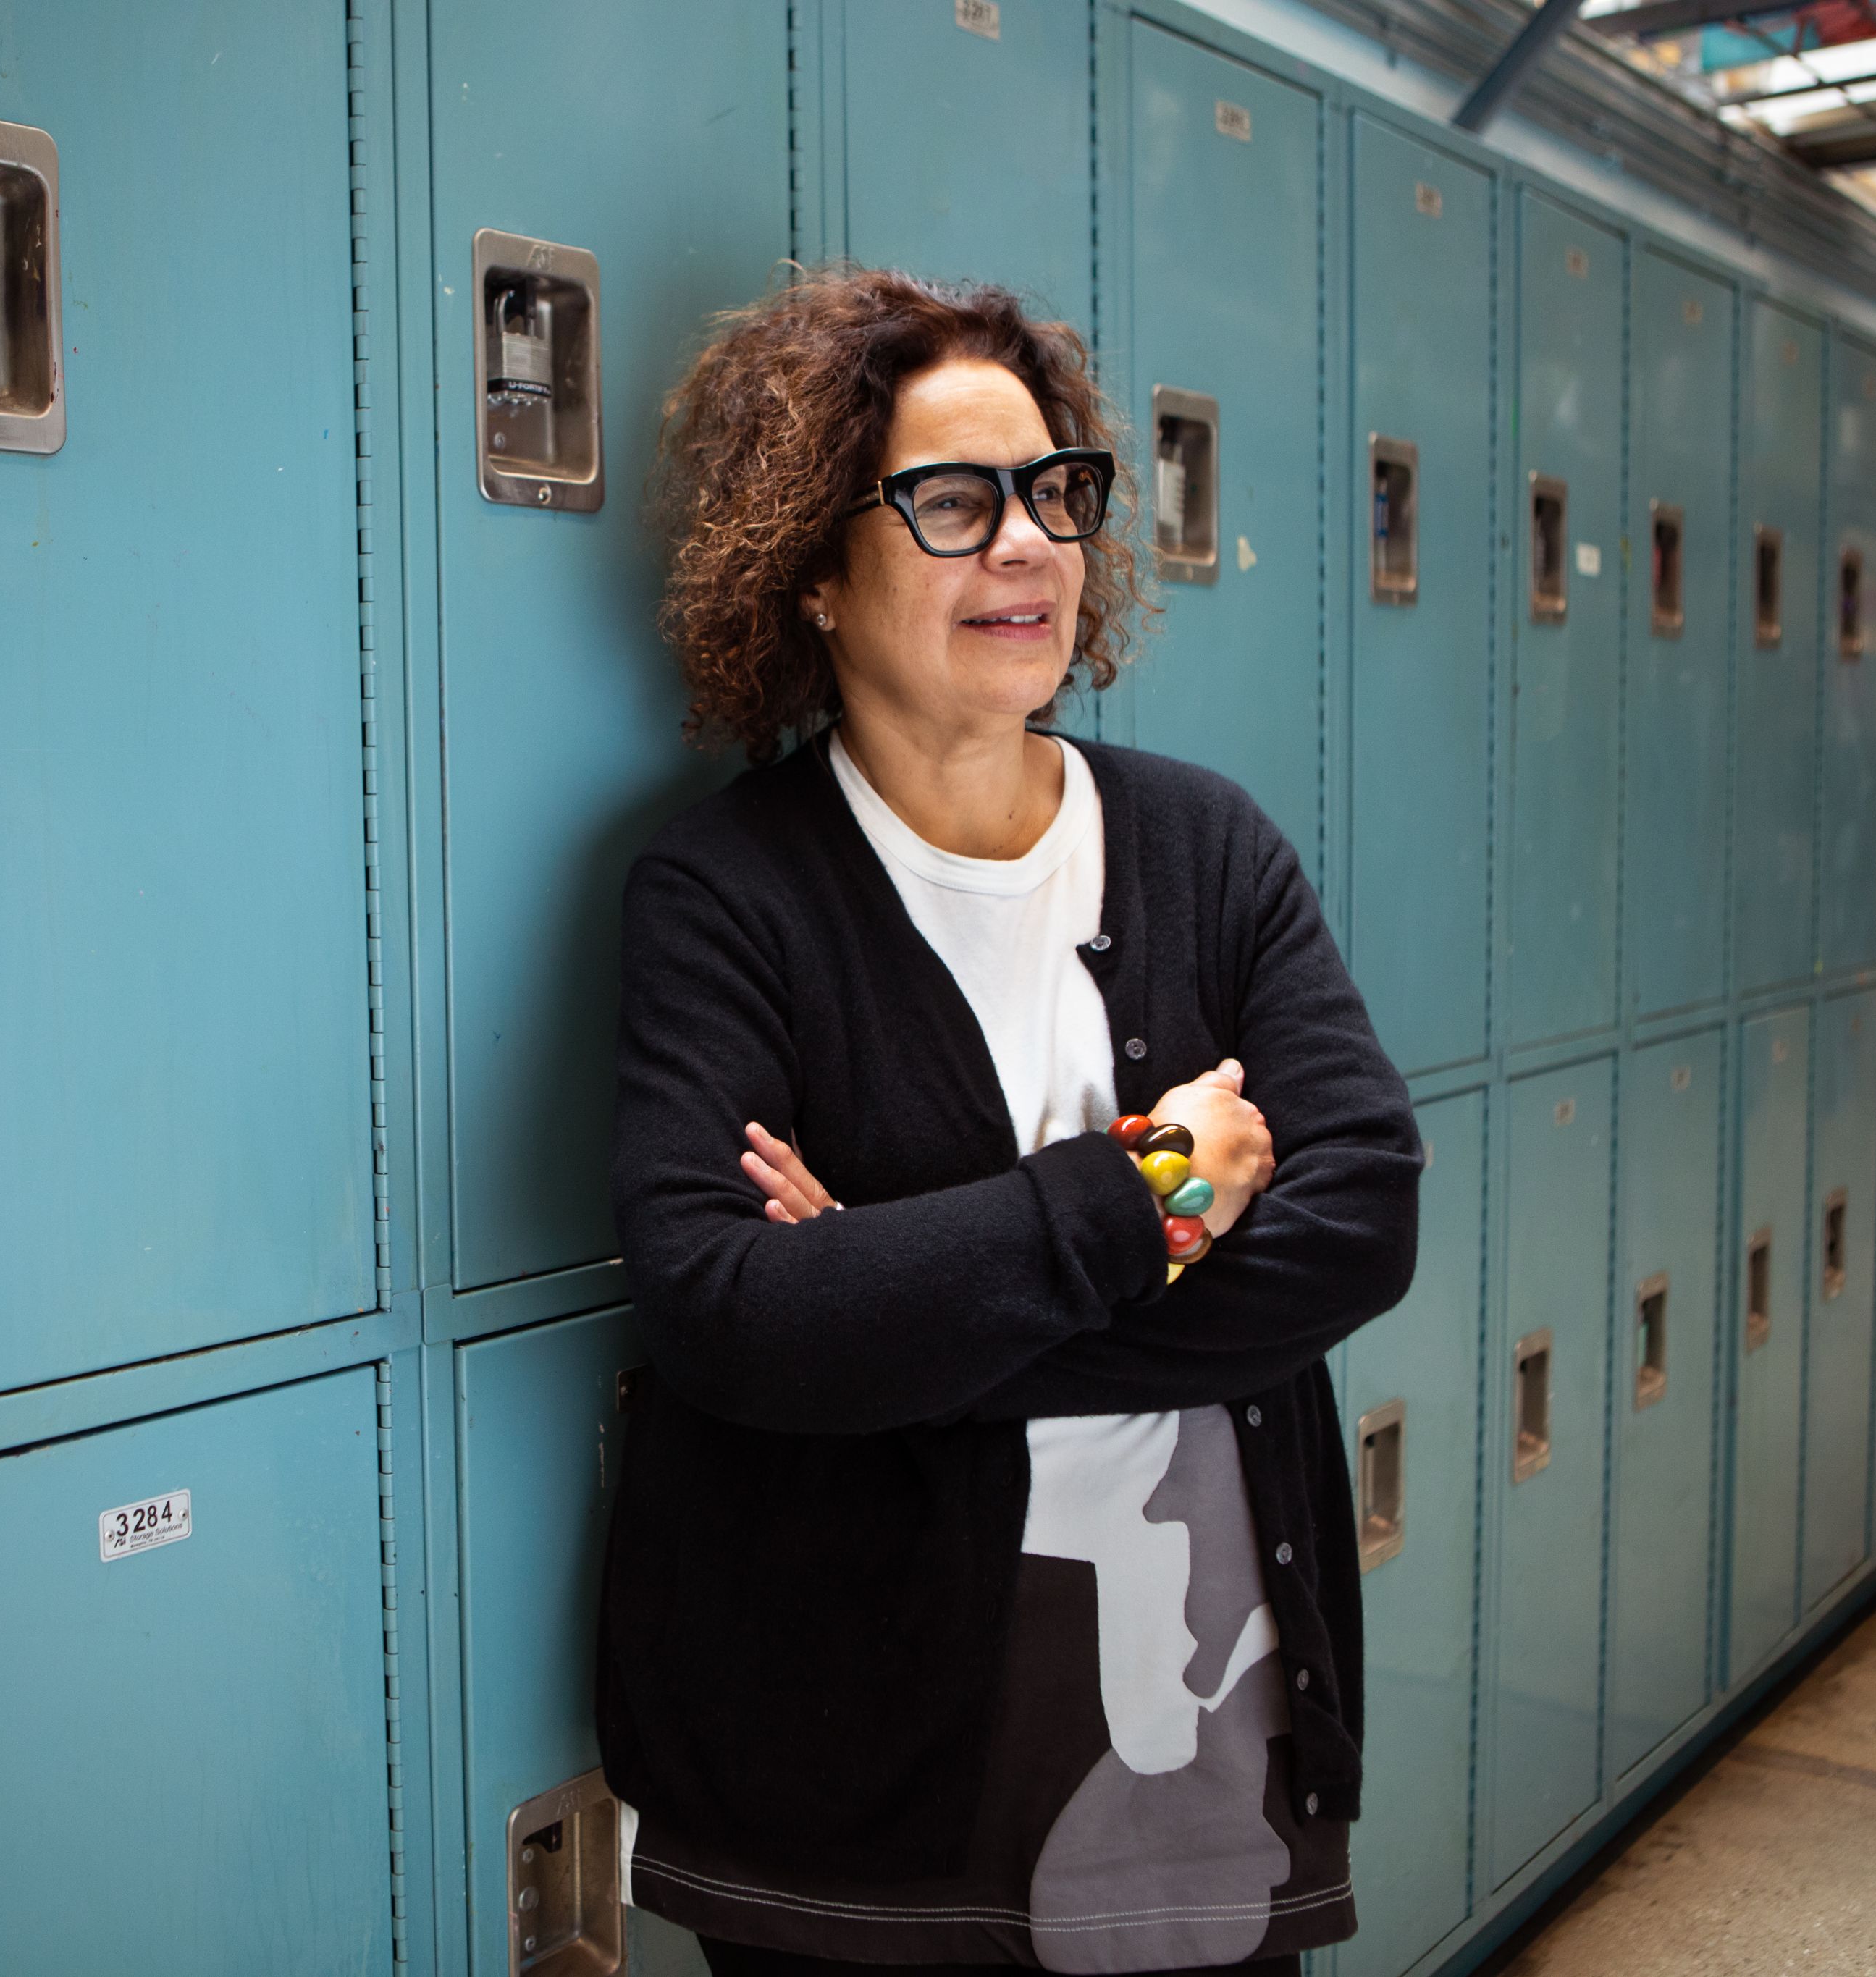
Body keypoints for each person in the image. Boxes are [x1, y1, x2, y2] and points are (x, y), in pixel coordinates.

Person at [596, 266, 1423, 1977]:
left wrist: (907, 1320)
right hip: (848, 1785)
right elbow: (721, 1311)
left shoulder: (1206, 850)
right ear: (813, 567)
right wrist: (1148, 1195)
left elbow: (1362, 1212)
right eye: (954, 502)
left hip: (1199, 1742)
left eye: (1055, 495)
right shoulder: (726, 892)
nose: (1029, 544)